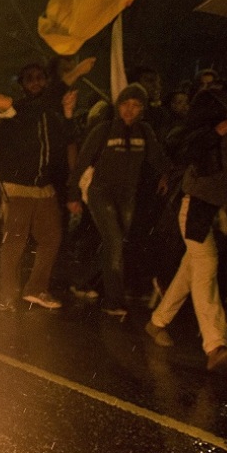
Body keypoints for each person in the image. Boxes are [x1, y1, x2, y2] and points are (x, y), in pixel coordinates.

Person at [144, 35, 227, 371]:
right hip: (201, 198)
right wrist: (226, 125)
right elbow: (185, 145)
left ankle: (157, 322)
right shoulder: (211, 100)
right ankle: (216, 346)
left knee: (193, 268)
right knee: (206, 266)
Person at [66, 84, 170, 316]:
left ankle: (82, 282)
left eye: (136, 105)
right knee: (114, 241)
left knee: (114, 243)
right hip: (101, 192)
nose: (129, 110)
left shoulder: (145, 132)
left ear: (142, 109)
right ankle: (113, 300)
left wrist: (169, 174)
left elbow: (156, 158)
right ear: (118, 105)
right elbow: (82, 162)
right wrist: (73, 195)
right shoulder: (103, 130)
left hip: (127, 196)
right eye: (125, 104)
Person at [0, 62, 75, 311]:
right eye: (30, 79)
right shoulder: (18, 108)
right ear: (22, 84)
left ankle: (35, 288)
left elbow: (66, 142)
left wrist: (67, 114)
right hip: (18, 184)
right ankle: (7, 295)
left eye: (40, 78)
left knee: (52, 237)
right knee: (15, 240)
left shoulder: (52, 113)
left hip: (44, 186)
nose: (35, 82)